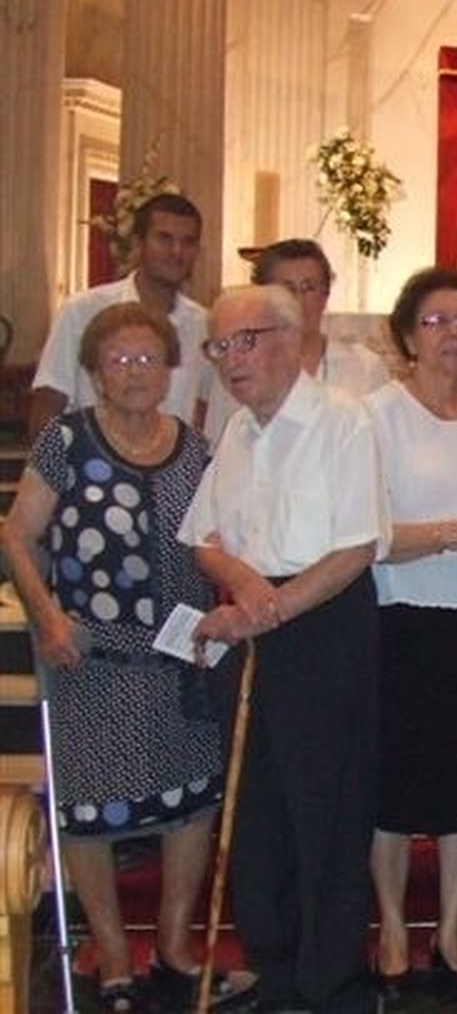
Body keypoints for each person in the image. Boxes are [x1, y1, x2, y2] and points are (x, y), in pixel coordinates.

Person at [0, 303, 251, 1013]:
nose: (136, 373)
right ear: (95, 374)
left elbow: (221, 538)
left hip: (178, 656)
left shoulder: (197, 447)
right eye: (119, 361)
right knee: (88, 809)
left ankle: (173, 948)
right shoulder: (66, 440)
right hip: (91, 660)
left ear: (173, 369)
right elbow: (18, 536)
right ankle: (112, 957)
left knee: (190, 805)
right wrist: (47, 619)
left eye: (149, 359)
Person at [180, 284, 389, 1014]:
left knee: (325, 814)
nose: (232, 360)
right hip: (253, 617)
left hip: (321, 622)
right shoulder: (235, 433)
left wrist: (267, 609)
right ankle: (275, 972)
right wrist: (241, 582)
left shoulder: (343, 422)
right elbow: (205, 537)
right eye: (220, 346)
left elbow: (355, 547)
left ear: (292, 340)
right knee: (258, 809)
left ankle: (332, 985)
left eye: (246, 340)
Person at [364, 269, 457, 998]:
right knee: (394, 788)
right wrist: (456, 534)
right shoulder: (377, 415)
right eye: (435, 321)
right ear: (406, 335)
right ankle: (394, 924)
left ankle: (450, 928)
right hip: (402, 618)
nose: (453, 333)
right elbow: (366, 536)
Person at [31, 193, 211, 439]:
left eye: (188, 242)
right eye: (164, 239)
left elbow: (204, 411)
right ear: (139, 244)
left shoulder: (203, 325)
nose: (177, 252)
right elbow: (49, 400)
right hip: (91, 467)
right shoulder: (82, 310)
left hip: (171, 470)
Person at [203, 238, 391, 443]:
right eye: (288, 289)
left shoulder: (365, 367)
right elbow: (218, 447)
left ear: (325, 295)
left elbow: (382, 448)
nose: (299, 301)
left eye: (309, 287)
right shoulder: (237, 368)